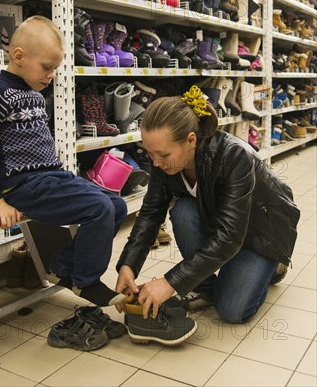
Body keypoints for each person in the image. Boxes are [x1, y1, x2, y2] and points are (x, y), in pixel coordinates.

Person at [0, 15, 127, 308]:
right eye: (47, 67)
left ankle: (63, 267)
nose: (51, 75)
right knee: (100, 208)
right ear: (19, 56)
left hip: (52, 177)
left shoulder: (36, 95)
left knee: (116, 205)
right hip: (22, 187)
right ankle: (86, 281)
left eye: (55, 69)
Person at [116, 85, 300, 323]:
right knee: (183, 212)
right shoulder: (162, 160)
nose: (156, 163)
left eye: (163, 155)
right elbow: (150, 214)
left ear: (191, 140)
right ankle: (210, 285)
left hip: (263, 232)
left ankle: (273, 267)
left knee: (232, 311)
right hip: (226, 225)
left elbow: (230, 236)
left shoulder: (233, 156)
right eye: (150, 154)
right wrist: (128, 265)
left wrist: (172, 282)